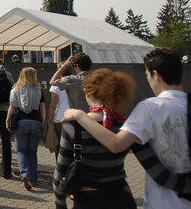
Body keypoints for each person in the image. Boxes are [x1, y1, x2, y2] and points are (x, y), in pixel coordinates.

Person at [62, 49, 191, 209]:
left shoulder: (150, 107)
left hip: (164, 202)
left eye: (147, 76)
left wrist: (80, 116)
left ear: (155, 75)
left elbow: (116, 144)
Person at [53, 68, 137, 209]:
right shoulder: (123, 124)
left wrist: (60, 204)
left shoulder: (73, 126)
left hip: (88, 199)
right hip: (122, 197)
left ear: (89, 93)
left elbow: (60, 171)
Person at [7, 67, 46, 190]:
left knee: (21, 150)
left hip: (21, 122)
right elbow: (43, 109)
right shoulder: (39, 89)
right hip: (36, 121)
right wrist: (42, 122)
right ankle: (34, 179)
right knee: (32, 152)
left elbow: (12, 107)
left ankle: (24, 173)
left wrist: (8, 120)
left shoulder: (16, 89)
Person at [48, 61, 74, 157]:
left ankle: (60, 168)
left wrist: (49, 120)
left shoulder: (57, 85)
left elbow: (53, 105)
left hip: (59, 118)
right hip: (73, 117)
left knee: (59, 147)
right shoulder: (75, 81)